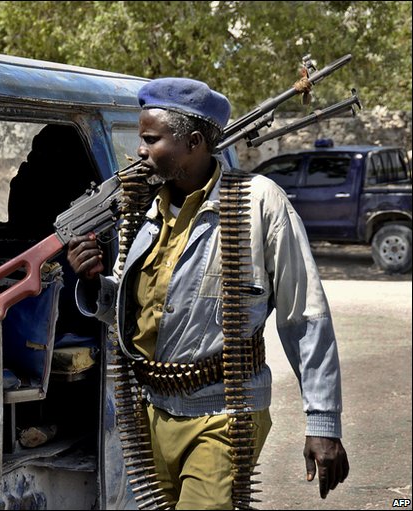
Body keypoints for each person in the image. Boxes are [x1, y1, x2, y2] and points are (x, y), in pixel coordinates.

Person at [66, 78, 349, 508]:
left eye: (150, 139)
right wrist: (93, 284)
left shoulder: (257, 203)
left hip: (224, 412)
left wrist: (323, 422)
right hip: (149, 410)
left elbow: (304, 316)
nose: (139, 151)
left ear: (194, 142)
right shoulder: (139, 210)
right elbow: (133, 312)